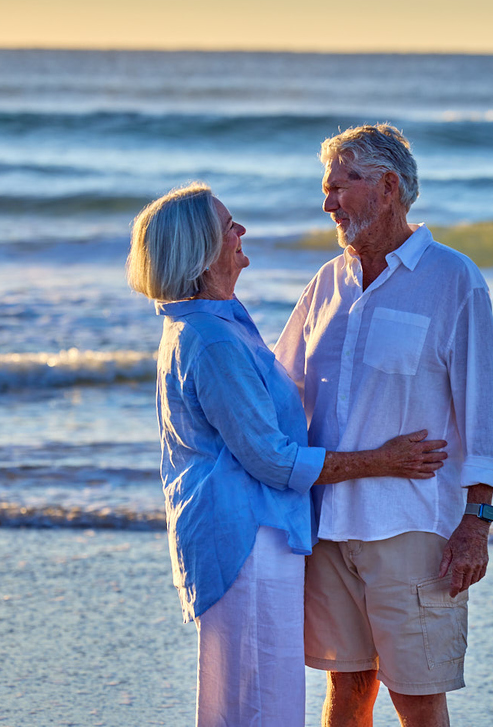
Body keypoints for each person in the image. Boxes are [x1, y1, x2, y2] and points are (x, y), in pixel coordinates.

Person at [126, 181, 448, 727]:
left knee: (256, 693)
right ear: (203, 250)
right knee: (257, 701)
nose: (241, 231)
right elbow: (272, 459)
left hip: (259, 532)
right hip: (247, 537)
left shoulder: (223, 322)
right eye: (228, 225)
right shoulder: (212, 339)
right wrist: (381, 460)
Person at [275, 125, 493, 727]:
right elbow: (282, 390)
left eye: (338, 187)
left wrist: (476, 522)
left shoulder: (453, 278)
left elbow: (483, 408)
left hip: (413, 531)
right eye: (324, 188)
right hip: (326, 528)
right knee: (347, 689)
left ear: (387, 187)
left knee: (418, 698)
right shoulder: (326, 282)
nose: (327, 203)